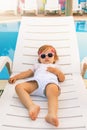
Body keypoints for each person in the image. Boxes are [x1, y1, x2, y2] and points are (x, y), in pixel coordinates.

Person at [8, 44, 65, 127]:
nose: (46, 57)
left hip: (50, 84)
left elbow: (62, 79)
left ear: (55, 58)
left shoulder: (56, 67)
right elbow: (27, 73)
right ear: (39, 58)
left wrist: (57, 72)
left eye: (49, 55)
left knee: (53, 90)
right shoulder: (37, 66)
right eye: (43, 56)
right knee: (19, 87)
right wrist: (16, 77)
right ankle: (31, 106)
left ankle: (51, 114)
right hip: (36, 83)